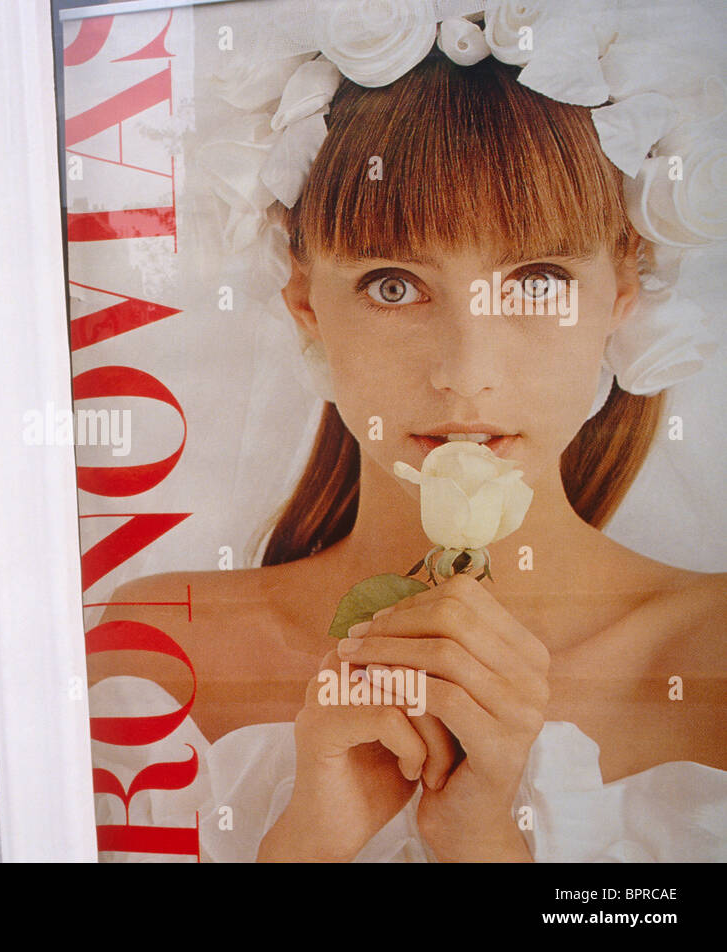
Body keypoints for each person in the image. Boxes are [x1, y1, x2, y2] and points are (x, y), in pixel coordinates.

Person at [89, 47, 727, 862]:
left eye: (536, 282)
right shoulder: (165, 645)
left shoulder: (711, 649)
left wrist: (485, 844)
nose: (465, 374)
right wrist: (309, 842)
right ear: (304, 303)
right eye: (394, 285)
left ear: (623, 294)